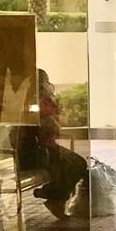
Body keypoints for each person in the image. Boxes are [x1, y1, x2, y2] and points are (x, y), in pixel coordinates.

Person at [30, 68, 89, 219]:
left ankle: (52, 195)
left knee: (78, 164)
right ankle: (53, 196)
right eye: (46, 82)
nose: (49, 85)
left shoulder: (47, 100)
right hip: (36, 150)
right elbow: (48, 124)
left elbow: (59, 122)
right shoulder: (31, 102)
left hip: (48, 146)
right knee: (69, 166)